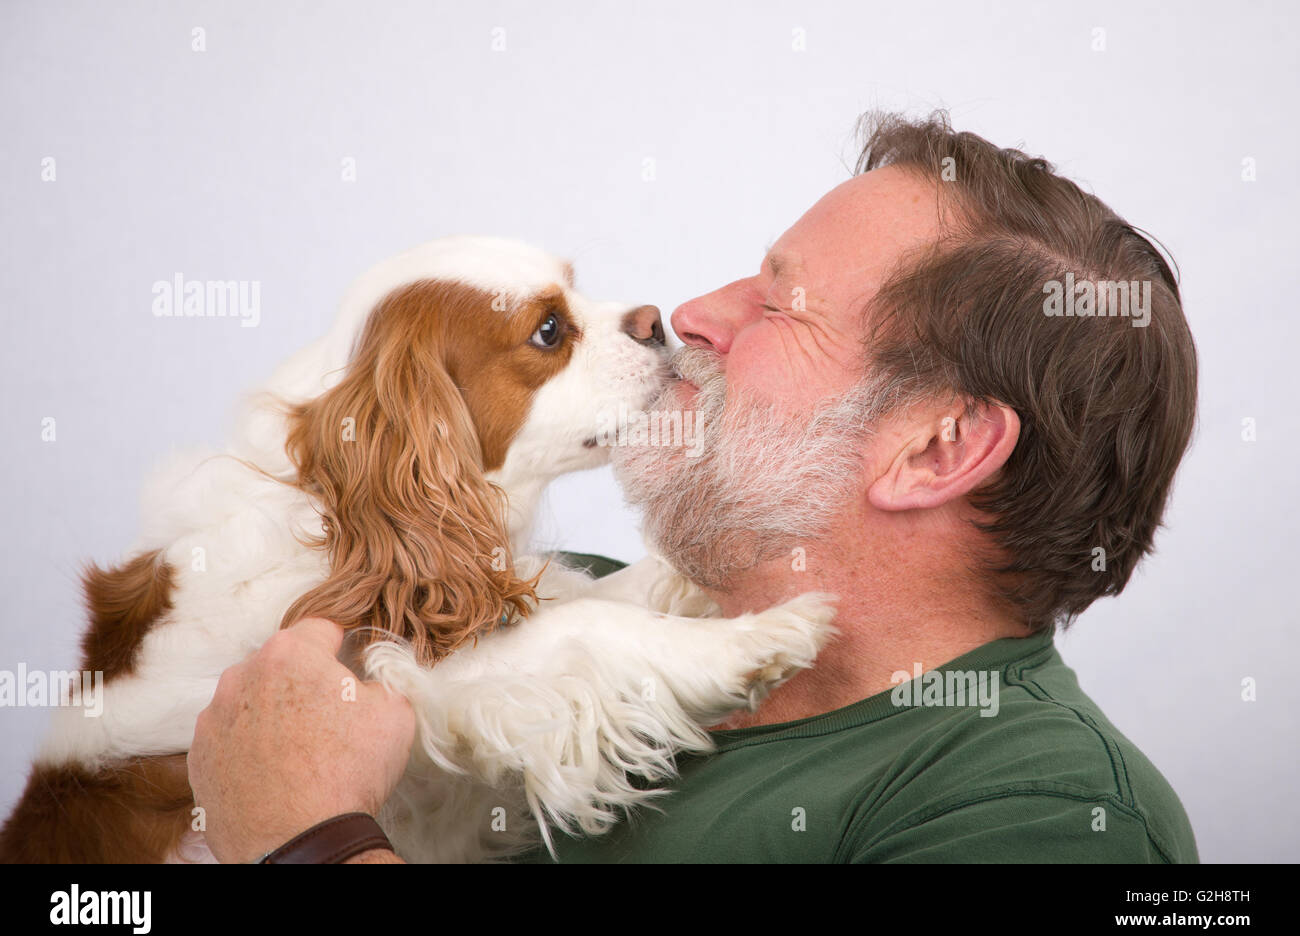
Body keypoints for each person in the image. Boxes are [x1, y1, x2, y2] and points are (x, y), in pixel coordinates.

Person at [188, 112, 1200, 863]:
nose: (689, 313)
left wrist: (309, 840)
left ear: (935, 450)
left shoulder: (1047, 812)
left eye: (778, 302)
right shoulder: (536, 607)